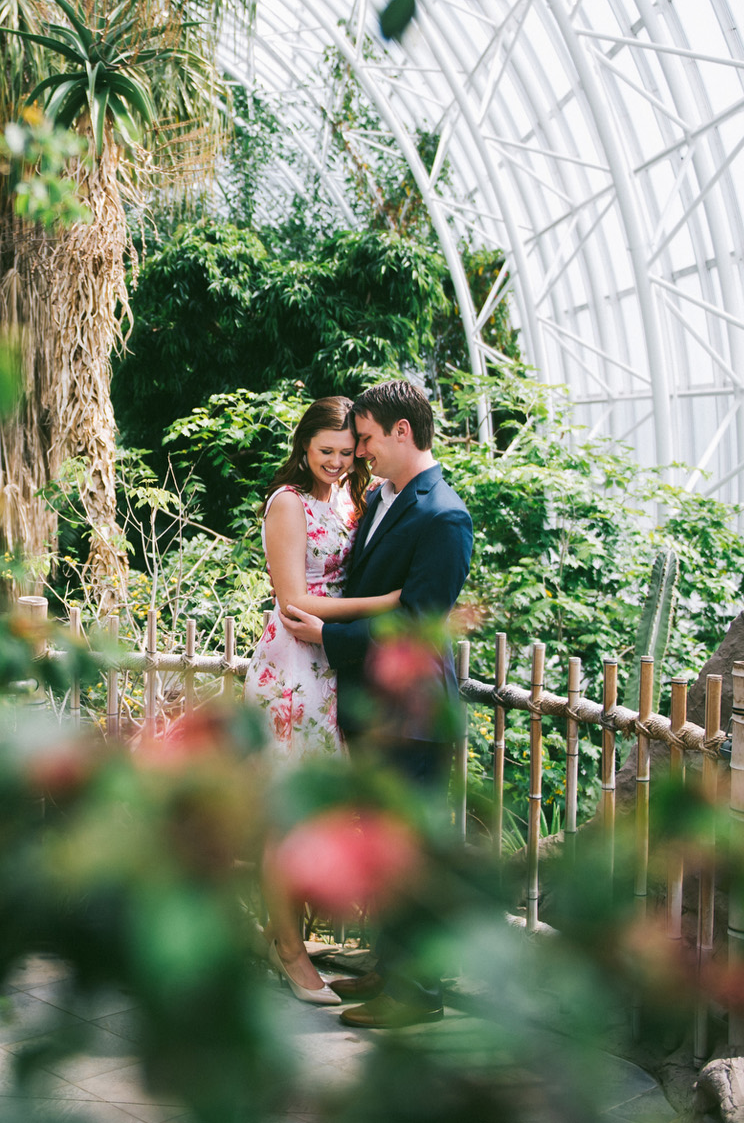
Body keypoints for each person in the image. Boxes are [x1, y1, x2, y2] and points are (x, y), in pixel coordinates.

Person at [280, 378, 473, 1029]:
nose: (357, 453)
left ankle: (415, 997)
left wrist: (331, 637)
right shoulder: (387, 498)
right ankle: (393, 973)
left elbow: (417, 621)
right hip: (371, 708)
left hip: (412, 716)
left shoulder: (443, 513)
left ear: (401, 432)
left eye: (364, 439)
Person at [242, 396, 402, 1006]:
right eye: (324, 451)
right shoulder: (288, 503)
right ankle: (287, 949)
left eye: (344, 451)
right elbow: (293, 600)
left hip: (333, 665)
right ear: (303, 447)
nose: (336, 462)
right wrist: (386, 603)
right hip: (294, 667)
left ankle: (279, 933)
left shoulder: (351, 500)